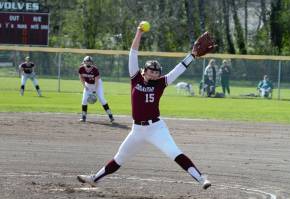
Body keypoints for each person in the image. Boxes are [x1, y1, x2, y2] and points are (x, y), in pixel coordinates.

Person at [77, 24, 212, 190]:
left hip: (156, 128)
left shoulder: (162, 83)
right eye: (151, 70)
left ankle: (201, 178)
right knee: (120, 158)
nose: (155, 73)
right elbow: (133, 53)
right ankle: (95, 179)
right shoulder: (135, 78)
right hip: (137, 130)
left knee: (174, 153)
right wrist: (138, 33)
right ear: (144, 71)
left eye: (157, 71)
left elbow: (179, 69)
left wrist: (192, 55)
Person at [78, 56, 114, 122]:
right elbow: (81, 78)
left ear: (92, 63)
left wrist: (94, 91)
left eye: (89, 62)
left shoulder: (95, 69)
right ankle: (83, 117)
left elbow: (96, 81)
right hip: (87, 84)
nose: (88, 64)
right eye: (87, 62)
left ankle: (110, 116)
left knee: (101, 99)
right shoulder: (81, 69)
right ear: (84, 62)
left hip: (97, 84)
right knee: (84, 100)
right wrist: (85, 86)